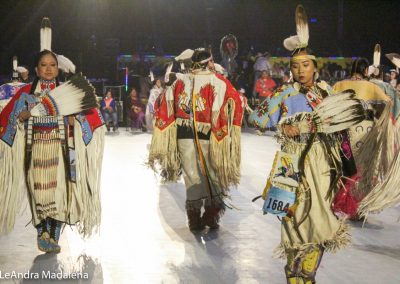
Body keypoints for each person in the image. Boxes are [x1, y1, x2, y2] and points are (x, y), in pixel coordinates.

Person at [252, 6, 364, 283]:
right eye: (294, 66)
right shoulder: (284, 92)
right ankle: (293, 274)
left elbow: (341, 129)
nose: (300, 71)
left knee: (319, 218)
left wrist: (347, 165)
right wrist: (282, 126)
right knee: (291, 217)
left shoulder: (327, 93)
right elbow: (257, 118)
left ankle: (308, 273)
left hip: (323, 164)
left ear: (315, 66)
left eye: (305, 65)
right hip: (290, 164)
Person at [0, 49, 105, 253]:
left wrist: (75, 120)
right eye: (44, 65)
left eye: (52, 65)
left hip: (63, 153)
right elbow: (7, 123)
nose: (48, 69)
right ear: (37, 70)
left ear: (58, 69)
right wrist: (19, 118)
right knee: (38, 193)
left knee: (59, 195)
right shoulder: (26, 95)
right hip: (35, 154)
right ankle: (42, 233)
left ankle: (53, 235)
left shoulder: (68, 93)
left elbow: (91, 119)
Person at [148, 48, 243, 231]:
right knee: (212, 175)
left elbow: (163, 103)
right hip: (210, 134)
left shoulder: (180, 82)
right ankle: (211, 214)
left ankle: (194, 219)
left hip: (184, 134)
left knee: (191, 176)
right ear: (209, 62)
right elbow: (236, 102)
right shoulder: (218, 81)